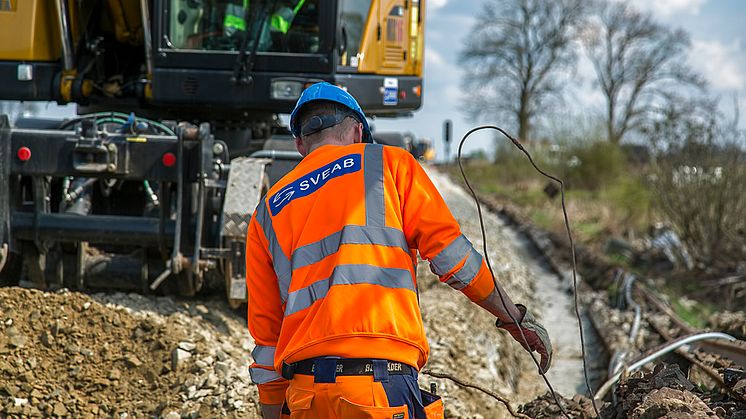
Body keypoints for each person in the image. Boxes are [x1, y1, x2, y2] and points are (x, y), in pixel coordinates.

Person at [246, 82, 552, 418]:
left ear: (300, 143)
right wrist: (514, 319)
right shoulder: (389, 164)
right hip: (377, 386)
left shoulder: (267, 211)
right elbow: (454, 258)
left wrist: (273, 411)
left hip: (305, 395)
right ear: (357, 131)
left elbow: (266, 339)